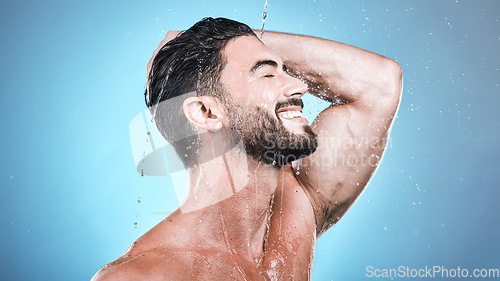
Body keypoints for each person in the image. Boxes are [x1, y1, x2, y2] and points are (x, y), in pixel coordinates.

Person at [92, 17, 402, 280]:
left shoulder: (298, 208)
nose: (300, 86)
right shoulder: (144, 274)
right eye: (268, 74)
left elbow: (380, 82)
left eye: (286, 70)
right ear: (205, 112)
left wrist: (199, 44)